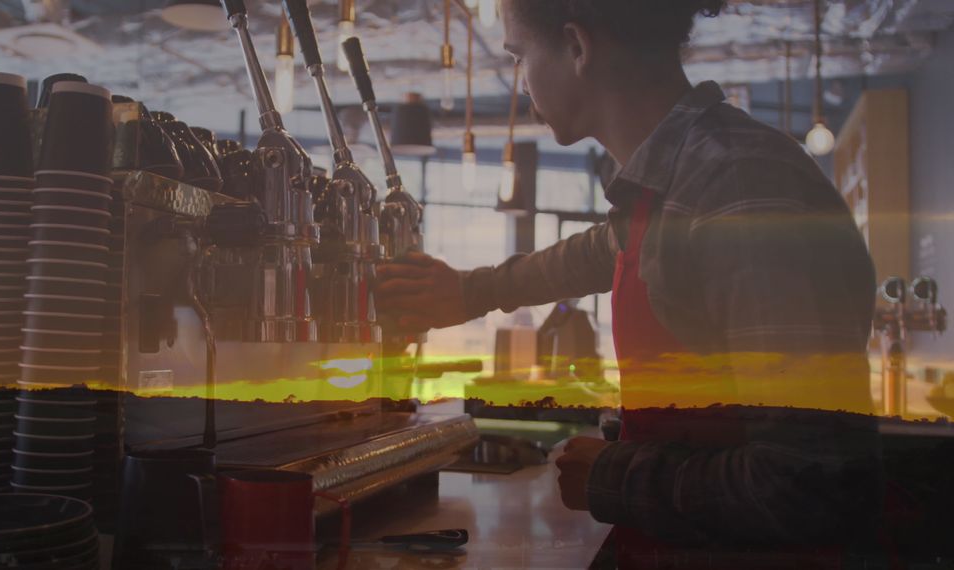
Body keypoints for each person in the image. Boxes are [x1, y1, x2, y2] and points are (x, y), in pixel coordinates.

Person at [376, 0, 888, 566]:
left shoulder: (741, 186)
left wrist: (615, 475)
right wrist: (470, 292)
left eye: (519, 56)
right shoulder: (675, 186)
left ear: (577, 47)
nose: (521, 83)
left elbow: (807, 485)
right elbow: (599, 251)